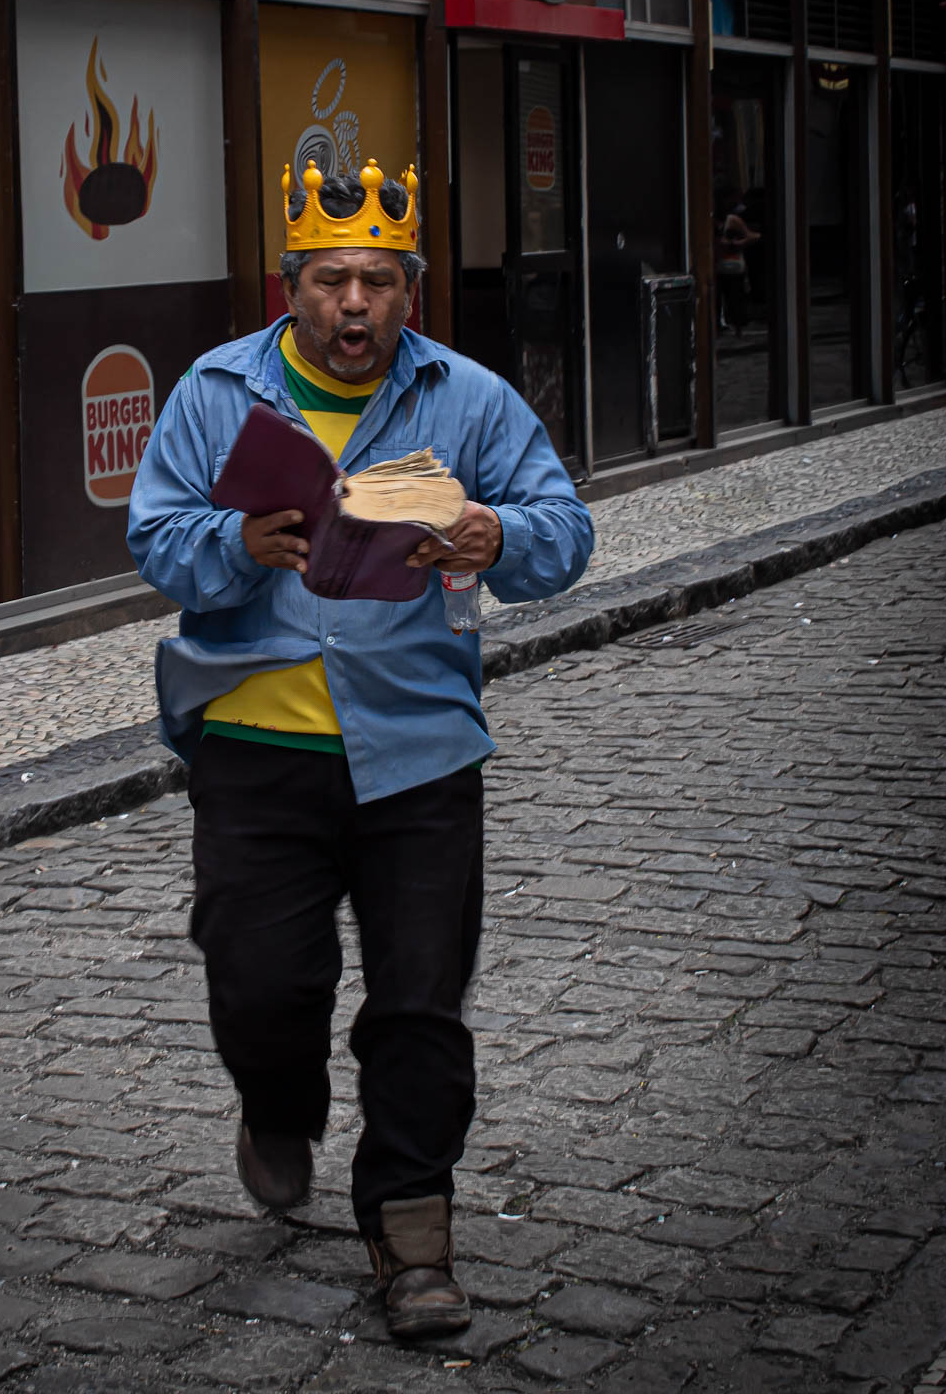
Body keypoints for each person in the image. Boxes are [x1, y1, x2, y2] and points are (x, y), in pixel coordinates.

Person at [127, 157, 594, 1340]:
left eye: (376, 283)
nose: (353, 305)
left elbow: (564, 531)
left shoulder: (468, 398)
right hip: (254, 747)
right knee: (260, 981)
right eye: (330, 280)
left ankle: (410, 1234)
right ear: (289, 286)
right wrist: (237, 544)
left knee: (420, 1002)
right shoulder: (214, 392)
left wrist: (492, 533)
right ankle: (277, 1106)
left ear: (408, 290)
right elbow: (154, 537)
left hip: (418, 749)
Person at [716, 194, 760, 335]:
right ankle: (722, 324)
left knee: (735, 298)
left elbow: (753, 236)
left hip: (734, 265)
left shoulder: (733, 220)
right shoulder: (710, 221)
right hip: (718, 266)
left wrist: (736, 243)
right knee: (719, 298)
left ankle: (738, 325)